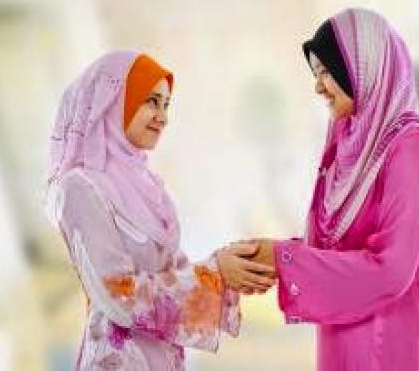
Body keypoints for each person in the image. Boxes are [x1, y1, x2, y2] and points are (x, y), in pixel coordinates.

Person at [45, 50, 275, 370]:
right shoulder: (80, 187)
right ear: (114, 102)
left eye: (166, 105)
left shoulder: (148, 185)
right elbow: (118, 295)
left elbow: (172, 270)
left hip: (165, 358)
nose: (163, 117)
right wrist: (215, 272)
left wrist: (229, 268)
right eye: (151, 101)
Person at [248, 8, 419, 370]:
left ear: (361, 68)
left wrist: (284, 259)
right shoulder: (347, 140)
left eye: (326, 72)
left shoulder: (410, 146)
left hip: (388, 350)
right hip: (339, 344)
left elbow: (391, 270)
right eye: (316, 73)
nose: (317, 86)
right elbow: (332, 248)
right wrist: (269, 258)